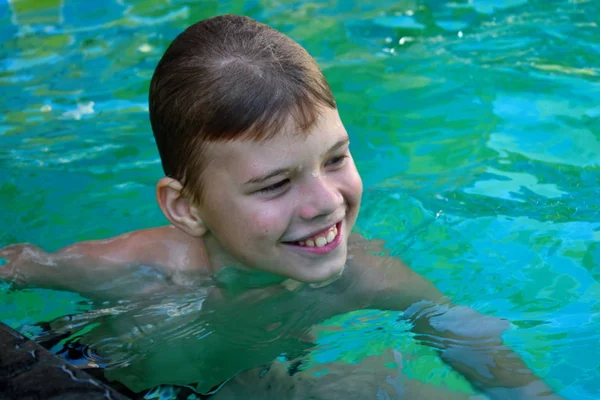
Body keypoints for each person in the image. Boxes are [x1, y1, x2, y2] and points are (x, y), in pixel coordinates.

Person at [0, 14, 562, 400]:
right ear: (186, 207)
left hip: (256, 384)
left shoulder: (358, 273)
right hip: (97, 381)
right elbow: (19, 263)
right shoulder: (140, 270)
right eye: (275, 185)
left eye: (336, 157)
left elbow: (461, 330)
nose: (325, 203)